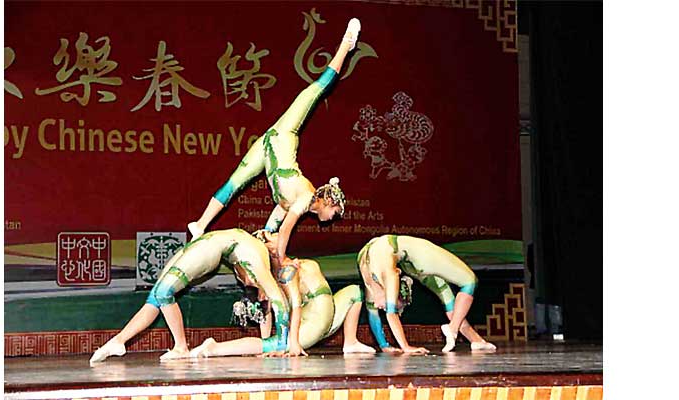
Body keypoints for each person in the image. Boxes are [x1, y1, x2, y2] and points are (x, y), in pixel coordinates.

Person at [187, 18, 362, 268]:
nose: (332, 218)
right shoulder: (305, 198)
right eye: (335, 212)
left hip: (265, 147)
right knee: (314, 91)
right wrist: (283, 257)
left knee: (234, 182)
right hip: (285, 132)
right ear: (329, 202)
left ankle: (200, 225)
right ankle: (346, 44)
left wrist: (265, 240)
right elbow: (288, 227)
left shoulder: (290, 201)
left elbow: (275, 224)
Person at [88, 229, 290, 364]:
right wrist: (277, 340)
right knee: (156, 296)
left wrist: (276, 342)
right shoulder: (258, 250)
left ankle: (180, 347)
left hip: (208, 245)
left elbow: (271, 300)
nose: (278, 237)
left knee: (163, 292)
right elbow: (272, 299)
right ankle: (119, 340)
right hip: (205, 244)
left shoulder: (257, 258)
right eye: (273, 234)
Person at [189, 232, 375, 357]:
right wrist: (290, 342)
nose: (279, 234)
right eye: (272, 236)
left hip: (330, 315)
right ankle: (215, 348)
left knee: (355, 291)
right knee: (276, 345)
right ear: (268, 250)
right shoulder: (285, 272)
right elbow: (287, 307)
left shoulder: (292, 264)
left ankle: (350, 342)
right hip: (311, 324)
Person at [357, 234, 496, 353]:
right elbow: (374, 315)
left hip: (420, 256)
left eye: (388, 305)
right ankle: (457, 331)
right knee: (467, 284)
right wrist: (385, 346)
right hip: (413, 261)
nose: (382, 307)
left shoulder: (386, 276)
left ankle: (472, 338)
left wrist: (405, 347)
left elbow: (390, 314)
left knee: (461, 286)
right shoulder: (374, 285)